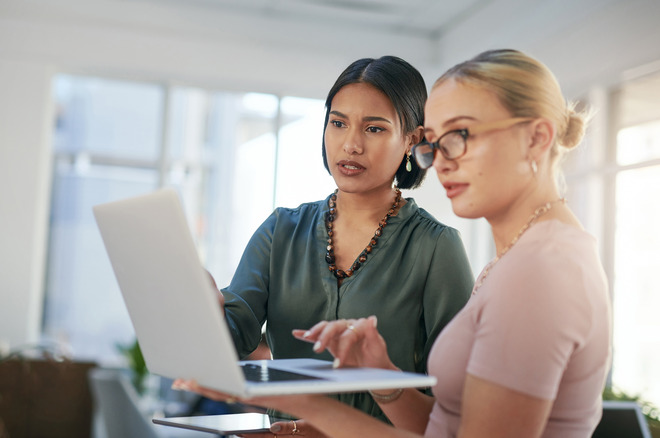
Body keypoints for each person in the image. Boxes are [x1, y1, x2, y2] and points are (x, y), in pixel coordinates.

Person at [183, 49, 612, 438]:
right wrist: (383, 377)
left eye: (460, 135)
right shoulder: (519, 261)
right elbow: (449, 424)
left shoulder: (536, 268)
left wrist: (313, 412)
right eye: (439, 142)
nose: (443, 159)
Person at [215, 56, 474, 429]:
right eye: (338, 123)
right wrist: (203, 310)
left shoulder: (436, 248)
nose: (351, 145)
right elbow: (231, 338)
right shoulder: (279, 231)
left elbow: (455, 403)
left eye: (374, 129)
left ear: (411, 141)